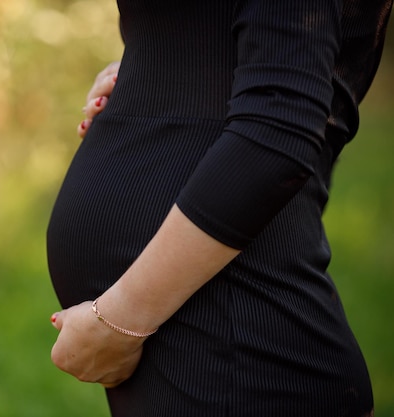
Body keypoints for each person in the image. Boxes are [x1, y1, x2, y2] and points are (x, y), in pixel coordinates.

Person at [46, 0, 392, 416]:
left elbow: (279, 127)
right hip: (203, 337)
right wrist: (157, 62)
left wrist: (119, 320)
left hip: (238, 337)